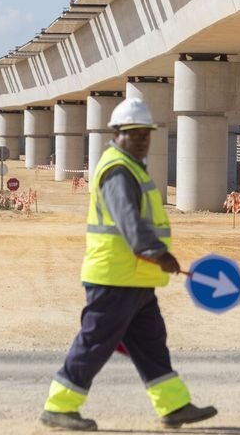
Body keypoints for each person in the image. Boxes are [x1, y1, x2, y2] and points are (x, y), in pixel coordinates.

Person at [39, 97, 217, 431]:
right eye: (133, 134)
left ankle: (174, 405)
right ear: (117, 133)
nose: (141, 140)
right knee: (94, 342)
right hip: (114, 278)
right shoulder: (118, 170)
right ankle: (59, 406)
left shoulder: (132, 167)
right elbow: (129, 222)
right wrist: (157, 254)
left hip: (135, 279)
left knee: (151, 344)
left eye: (145, 134)